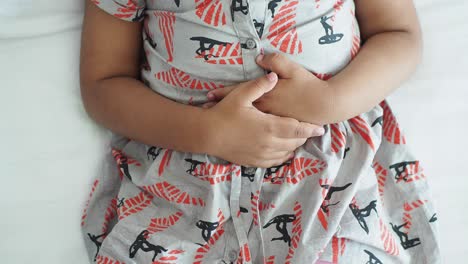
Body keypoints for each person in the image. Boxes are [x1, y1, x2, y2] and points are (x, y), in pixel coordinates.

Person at [79, 0, 440, 263]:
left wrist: (331, 100)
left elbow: (400, 33)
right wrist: (209, 133)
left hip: (331, 171)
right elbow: (103, 84)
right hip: (186, 171)